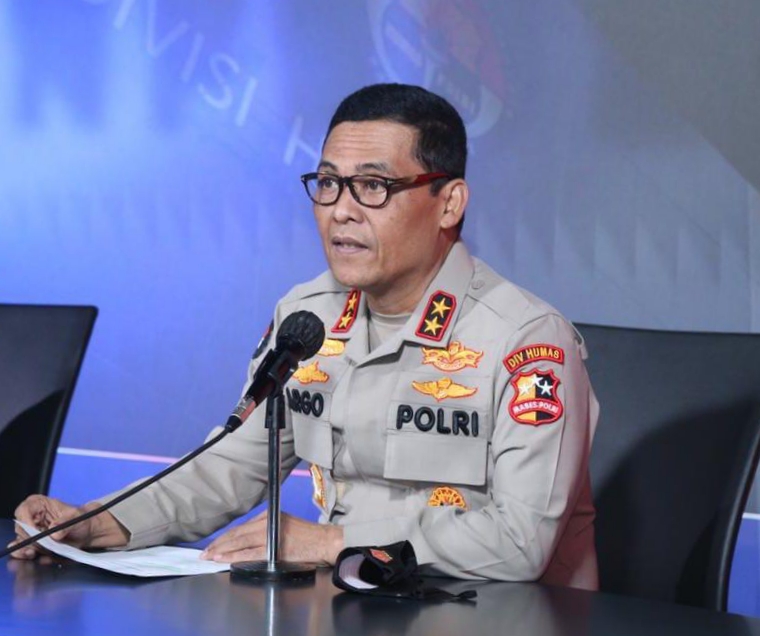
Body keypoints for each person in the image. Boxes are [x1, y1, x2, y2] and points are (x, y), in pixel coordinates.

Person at [11, 83, 599, 589]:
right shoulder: (307, 319)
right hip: (349, 607)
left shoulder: (524, 340)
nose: (341, 210)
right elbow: (232, 466)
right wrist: (98, 521)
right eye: (328, 183)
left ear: (449, 203)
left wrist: (331, 541)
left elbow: (519, 542)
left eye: (374, 186)